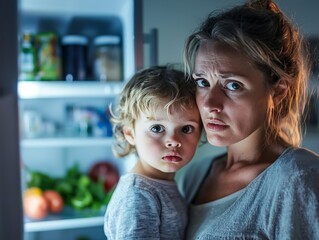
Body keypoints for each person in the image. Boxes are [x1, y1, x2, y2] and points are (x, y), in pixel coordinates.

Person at [176, 0, 319, 239]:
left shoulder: (299, 178)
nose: (210, 104)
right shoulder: (193, 176)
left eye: (232, 85)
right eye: (202, 82)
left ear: (278, 91)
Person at [104, 65, 202, 239]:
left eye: (186, 129)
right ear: (130, 133)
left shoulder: (159, 184)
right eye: (157, 128)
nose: (174, 141)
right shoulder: (138, 196)